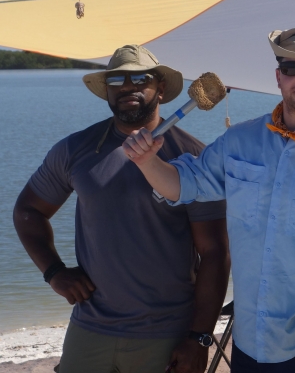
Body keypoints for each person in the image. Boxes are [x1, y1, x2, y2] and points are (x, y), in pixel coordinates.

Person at [121, 27, 295, 373]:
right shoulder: (239, 140)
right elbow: (183, 185)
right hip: (250, 333)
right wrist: (147, 161)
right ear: (278, 77)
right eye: (290, 69)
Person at [12, 44, 230, 373]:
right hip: (90, 329)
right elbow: (28, 211)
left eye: (140, 78)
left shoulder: (194, 159)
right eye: (116, 80)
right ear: (107, 91)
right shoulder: (76, 149)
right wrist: (54, 272)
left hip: (165, 334)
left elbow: (215, 253)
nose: (127, 86)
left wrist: (199, 338)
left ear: (160, 88)